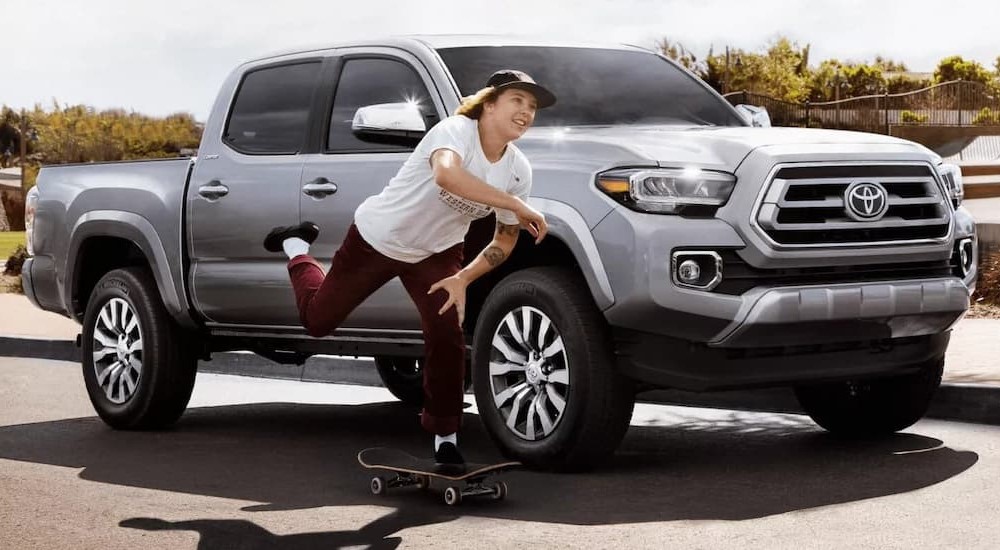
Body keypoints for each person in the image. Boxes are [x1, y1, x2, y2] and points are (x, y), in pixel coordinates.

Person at [263, 69, 556, 471]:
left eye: (532, 106)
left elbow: (504, 239)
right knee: (317, 320)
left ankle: (445, 439)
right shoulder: (454, 131)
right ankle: (296, 246)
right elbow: (447, 175)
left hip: (436, 253)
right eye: (516, 101)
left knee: (446, 337)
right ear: (489, 104)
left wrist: (462, 278)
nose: (526, 112)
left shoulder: (518, 169)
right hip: (378, 238)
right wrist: (518, 205)